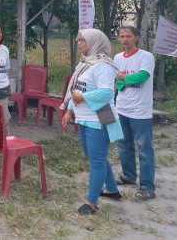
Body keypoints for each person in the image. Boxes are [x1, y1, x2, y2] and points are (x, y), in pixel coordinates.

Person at [61, 28, 124, 215]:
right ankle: (111, 189)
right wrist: (70, 110)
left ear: (95, 42)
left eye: (82, 40)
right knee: (96, 157)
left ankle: (91, 202)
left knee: (96, 161)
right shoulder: (85, 63)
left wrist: (82, 98)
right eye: (78, 39)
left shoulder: (103, 66)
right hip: (85, 118)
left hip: (99, 120)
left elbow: (106, 93)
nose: (79, 43)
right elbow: (75, 90)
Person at [114, 26, 156, 200]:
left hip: (140, 110)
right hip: (122, 107)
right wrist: (123, 80)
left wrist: (124, 78)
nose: (125, 40)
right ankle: (129, 175)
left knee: (144, 147)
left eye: (129, 36)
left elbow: (142, 76)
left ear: (136, 37)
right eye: (122, 36)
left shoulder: (146, 57)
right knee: (124, 144)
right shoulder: (117, 57)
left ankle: (147, 186)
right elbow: (117, 82)